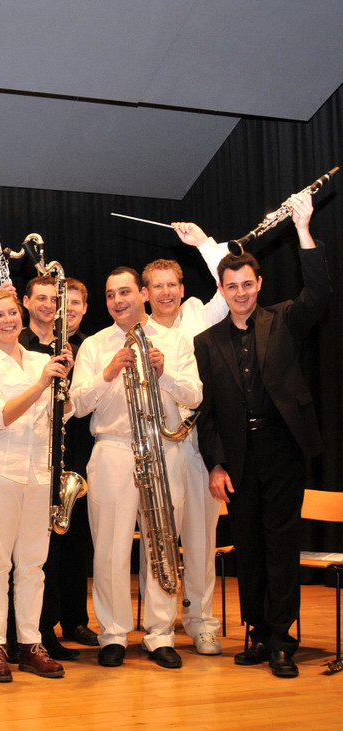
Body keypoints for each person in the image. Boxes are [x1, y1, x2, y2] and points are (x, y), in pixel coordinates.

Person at [194, 192, 330, 678]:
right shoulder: (206, 342)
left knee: (280, 545)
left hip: (283, 449)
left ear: (259, 284)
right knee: (248, 546)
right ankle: (256, 634)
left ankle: (281, 640)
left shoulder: (284, 320)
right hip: (237, 456)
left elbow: (319, 293)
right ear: (221, 289)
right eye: (232, 286)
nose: (241, 293)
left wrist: (303, 229)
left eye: (247, 285)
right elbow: (205, 411)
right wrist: (215, 463)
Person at [69, 267, 202, 669]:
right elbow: (77, 405)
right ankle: (112, 633)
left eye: (124, 292)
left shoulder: (174, 341)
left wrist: (165, 373)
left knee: (163, 543)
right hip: (113, 450)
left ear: (143, 294)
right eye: (110, 295)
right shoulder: (94, 345)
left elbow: (195, 396)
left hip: (163, 448)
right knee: (109, 546)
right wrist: (108, 372)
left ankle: (160, 634)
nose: (117, 301)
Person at [0, 288, 72, 683]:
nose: (8, 320)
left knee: (33, 565)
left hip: (40, 473)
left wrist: (66, 386)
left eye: (12, 313)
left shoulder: (43, 360)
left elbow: (63, 414)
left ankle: (30, 644)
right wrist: (43, 384)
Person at [142, 224, 230, 656]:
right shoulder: (136, 331)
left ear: (182, 287)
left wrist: (204, 245)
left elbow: (228, 285)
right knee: (160, 542)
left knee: (201, 541)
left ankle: (201, 623)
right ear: (146, 293)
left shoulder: (199, 315)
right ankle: (159, 629)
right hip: (158, 450)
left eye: (172, 285)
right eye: (157, 286)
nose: (166, 293)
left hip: (201, 445)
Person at [17, 275, 98, 658]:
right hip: (34, 454)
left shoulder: (82, 348)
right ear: (27, 302)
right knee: (41, 549)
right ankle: (40, 629)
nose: (52, 306)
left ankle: (74, 619)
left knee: (74, 542)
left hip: (75, 451)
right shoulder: (18, 344)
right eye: (43, 299)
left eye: (58, 301)